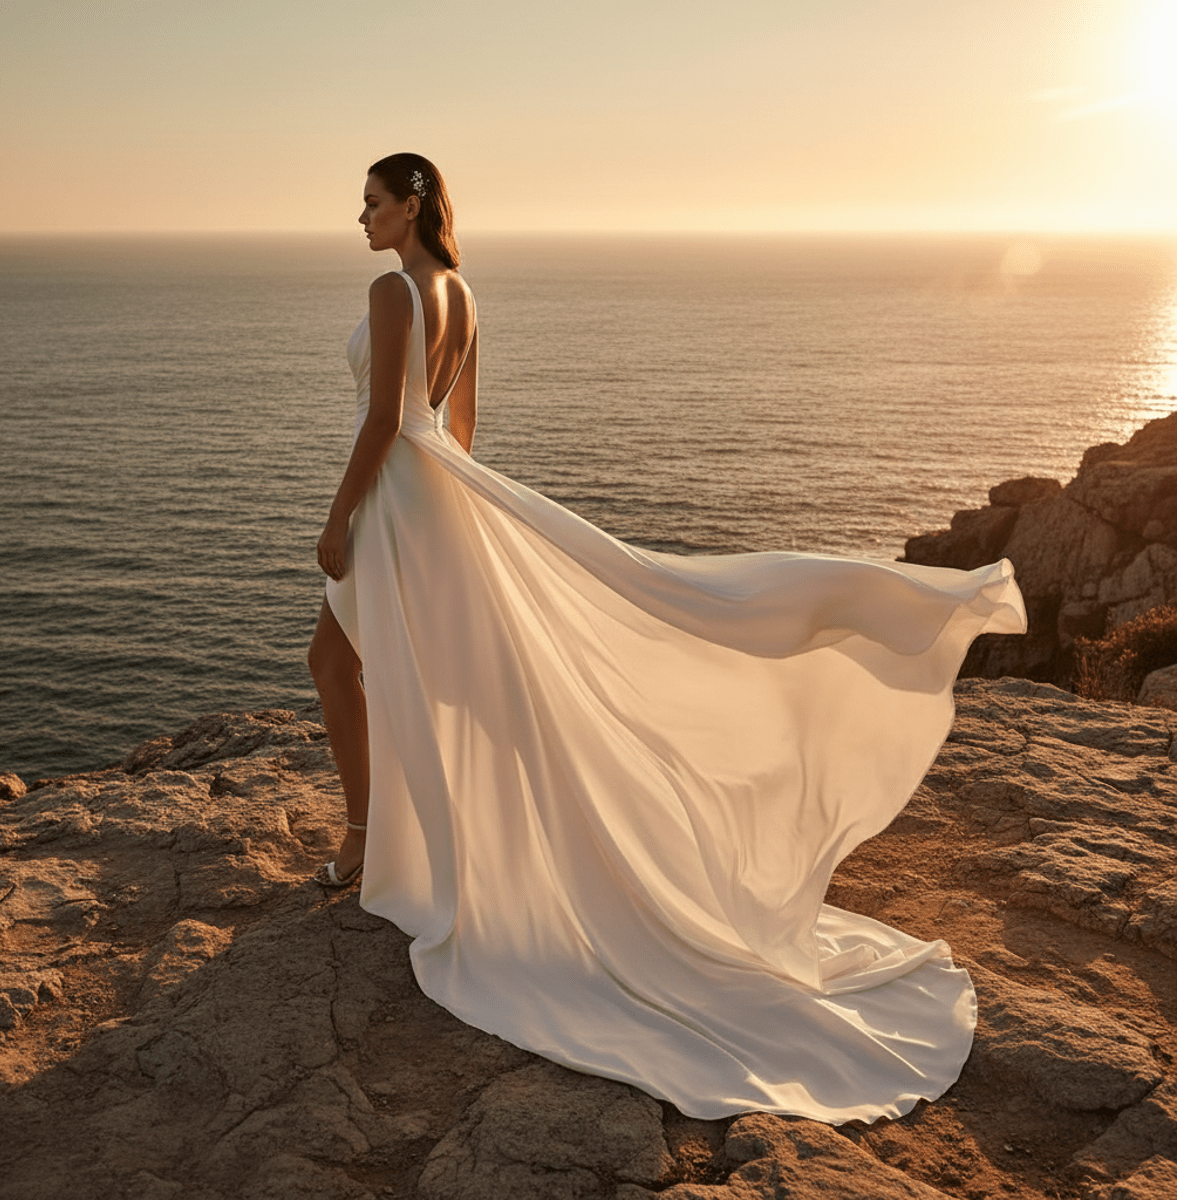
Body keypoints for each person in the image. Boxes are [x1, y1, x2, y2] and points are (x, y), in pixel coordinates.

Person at [307, 151, 1027, 1124]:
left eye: (373, 203)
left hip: (396, 502)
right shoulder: (464, 295)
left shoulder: (394, 290)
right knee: (422, 675)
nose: (362, 219)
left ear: (413, 206)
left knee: (342, 663)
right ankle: (412, 841)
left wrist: (344, 517)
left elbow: (387, 426)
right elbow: (462, 432)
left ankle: (371, 841)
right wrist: (462, 517)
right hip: (438, 504)